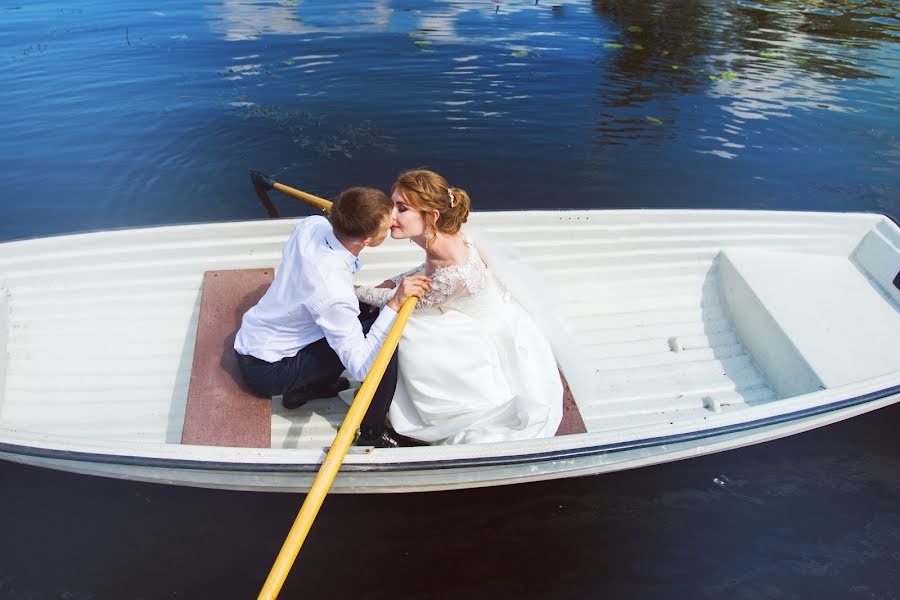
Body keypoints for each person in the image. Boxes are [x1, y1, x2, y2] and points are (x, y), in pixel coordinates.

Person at [352, 170, 565, 444]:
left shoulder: (454, 274)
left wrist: (350, 290)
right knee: (393, 313)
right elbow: (423, 273)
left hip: (484, 337)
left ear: (432, 216)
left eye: (401, 209)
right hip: (477, 311)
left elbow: (398, 301)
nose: (391, 215)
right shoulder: (446, 236)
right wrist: (388, 282)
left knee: (404, 326)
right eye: (393, 205)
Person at [234, 186, 430, 448]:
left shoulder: (311, 225)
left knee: (369, 312)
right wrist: (395, 303)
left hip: (259, 337)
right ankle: (371, 431)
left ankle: (302, 390)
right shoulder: (334, 292)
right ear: (367, 241)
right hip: (268, 370)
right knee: (384, 343)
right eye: (386, 225)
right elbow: (361, 366)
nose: (394, 221)